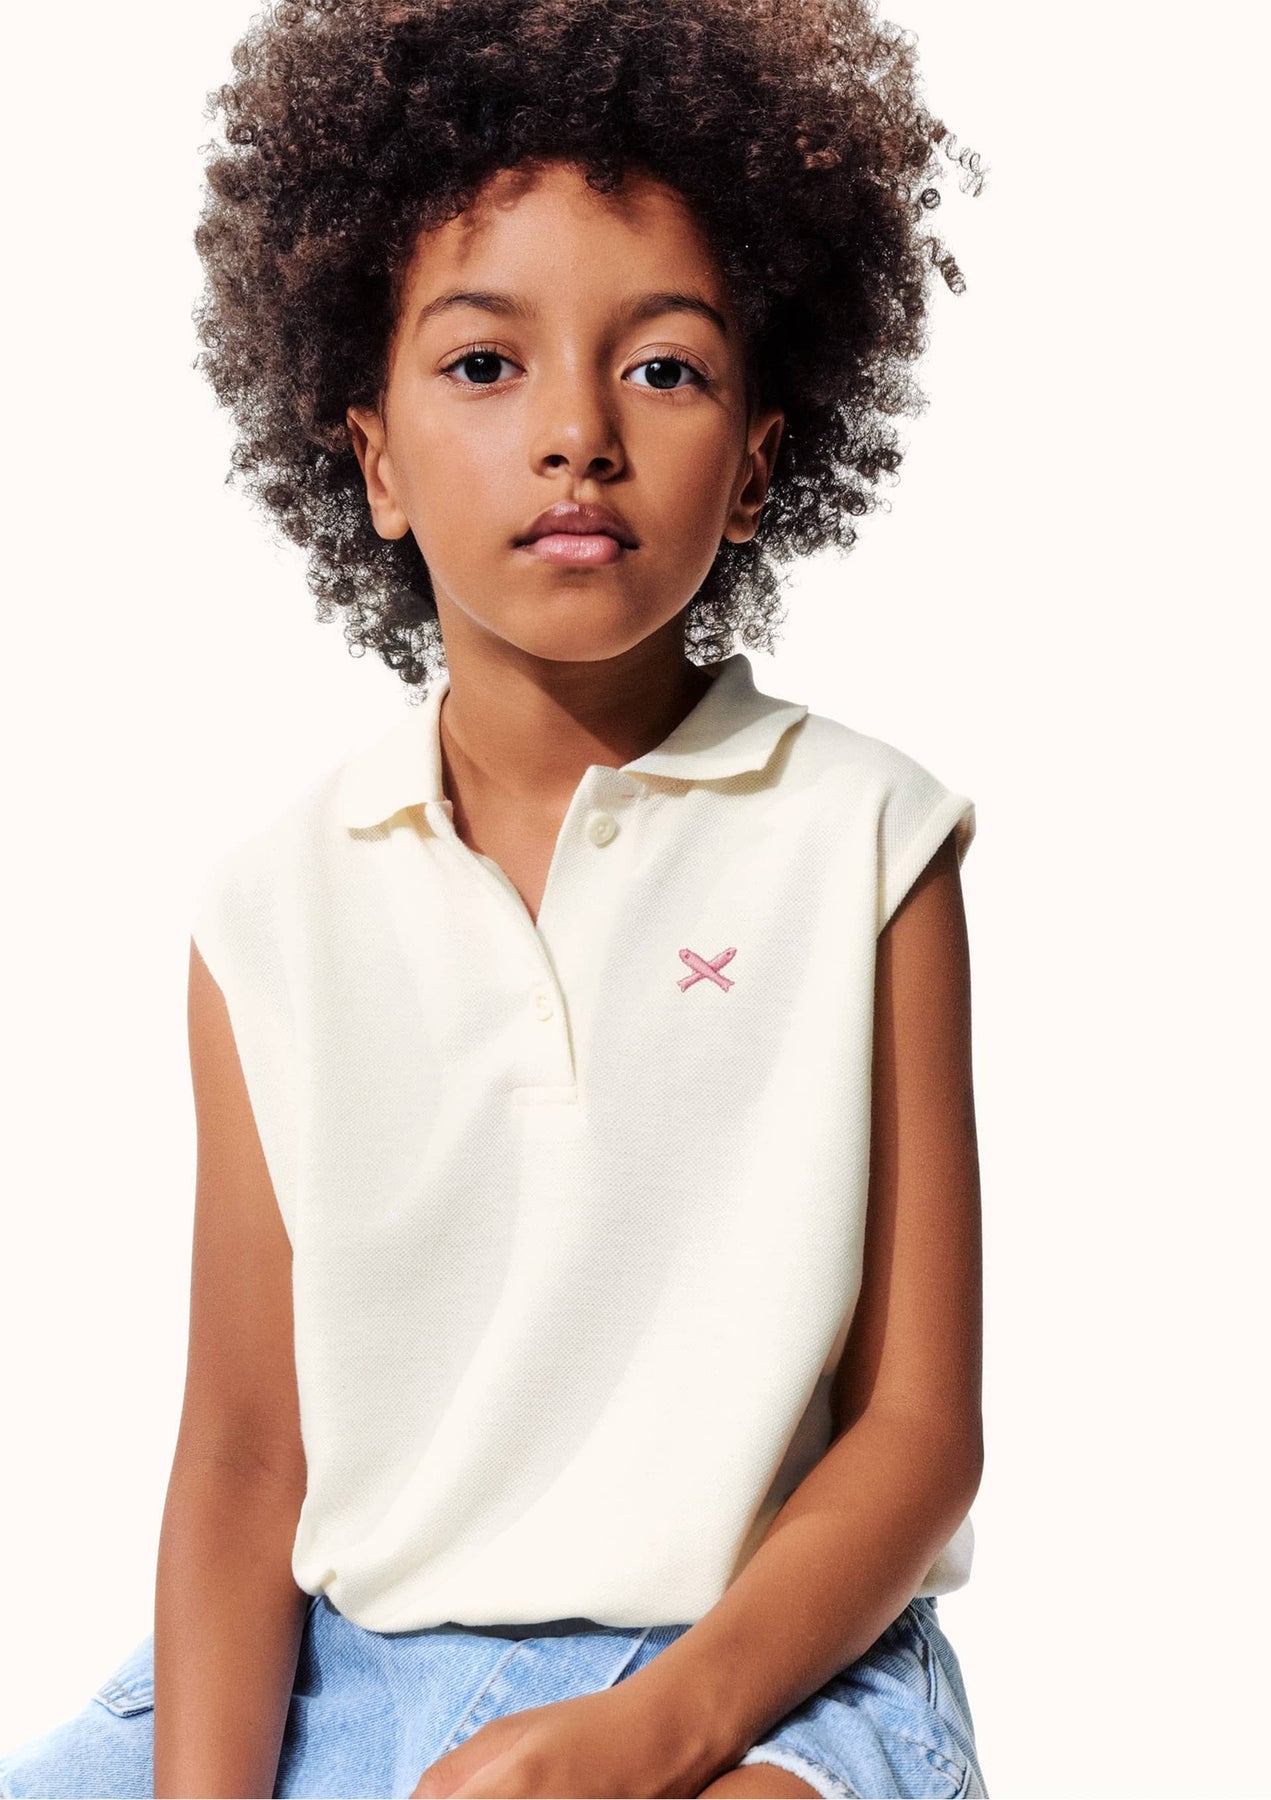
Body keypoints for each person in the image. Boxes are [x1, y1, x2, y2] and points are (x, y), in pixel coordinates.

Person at [0, 0, 991, 1794]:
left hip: (754, 1668)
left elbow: (917, 1433)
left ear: (761, 462)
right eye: (484, 364)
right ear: (372, 459)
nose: (577, 433)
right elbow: (245, 1457)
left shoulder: (864, 840)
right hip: (343, 1677)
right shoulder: (272, 909)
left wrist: (651, 1733)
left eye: (664, 369)